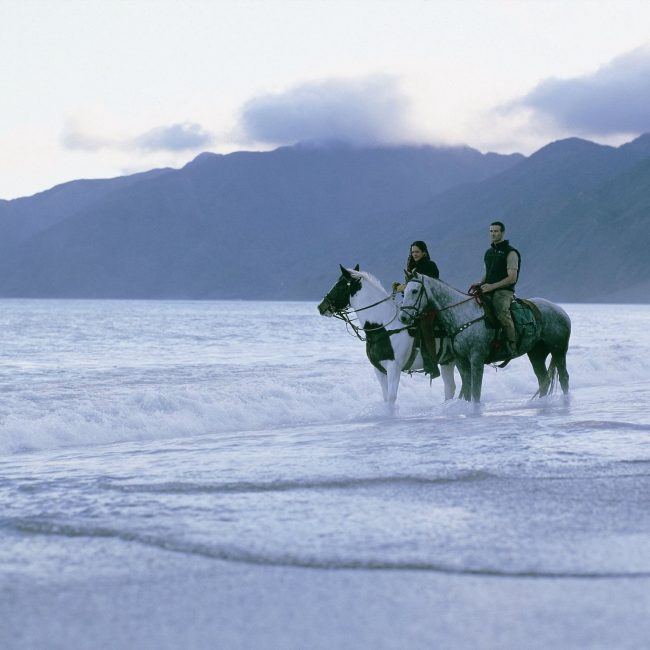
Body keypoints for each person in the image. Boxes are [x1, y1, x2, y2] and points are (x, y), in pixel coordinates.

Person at [392, 241, 441, 378]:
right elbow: (411, 289)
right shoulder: (411, 266)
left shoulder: (431, 266)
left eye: (417, 252)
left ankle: (432, 362)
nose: (414, 254)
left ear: (424, 252)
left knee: (425, 325)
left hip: (429, 304)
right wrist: (401, 287)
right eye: (412, 252)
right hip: (413, 304)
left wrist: (403, 287)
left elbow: (431, 286)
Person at [473, 221, 521, 357]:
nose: (493, 234)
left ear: (502, 233)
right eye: (491, 231)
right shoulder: (488, 252)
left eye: (496, 231)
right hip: (488, 288)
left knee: (501, 311)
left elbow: (512, 278)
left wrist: (492, 286)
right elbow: (488, 273)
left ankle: (511, 344)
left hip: (504, 291)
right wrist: (480, 283)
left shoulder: (511, 253)